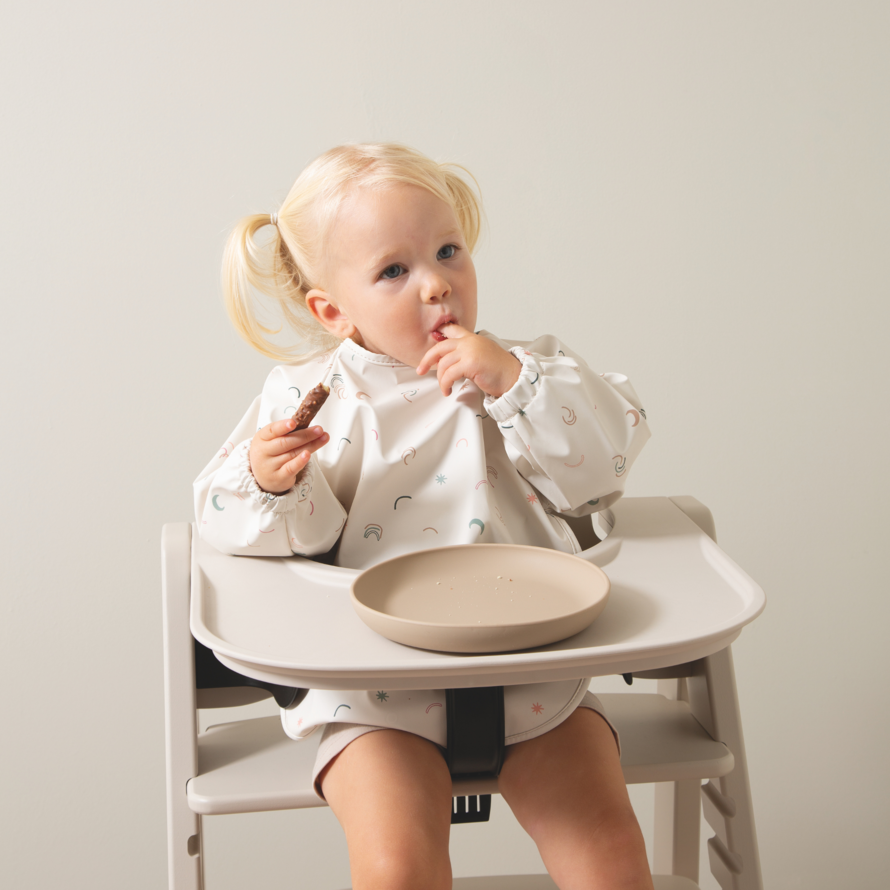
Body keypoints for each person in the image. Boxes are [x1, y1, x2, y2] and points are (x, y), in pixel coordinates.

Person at [195, 143, 653, 890]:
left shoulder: (526, 370)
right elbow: (229, 521)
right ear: (332, 311)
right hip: (371, 691)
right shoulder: (305, 398)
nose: (437, 284)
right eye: (394, 270)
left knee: (609, 852)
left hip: (531, 671)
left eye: (448, 252)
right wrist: (270, 481)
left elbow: (603, 471)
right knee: (395, 867)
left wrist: (516, 384)